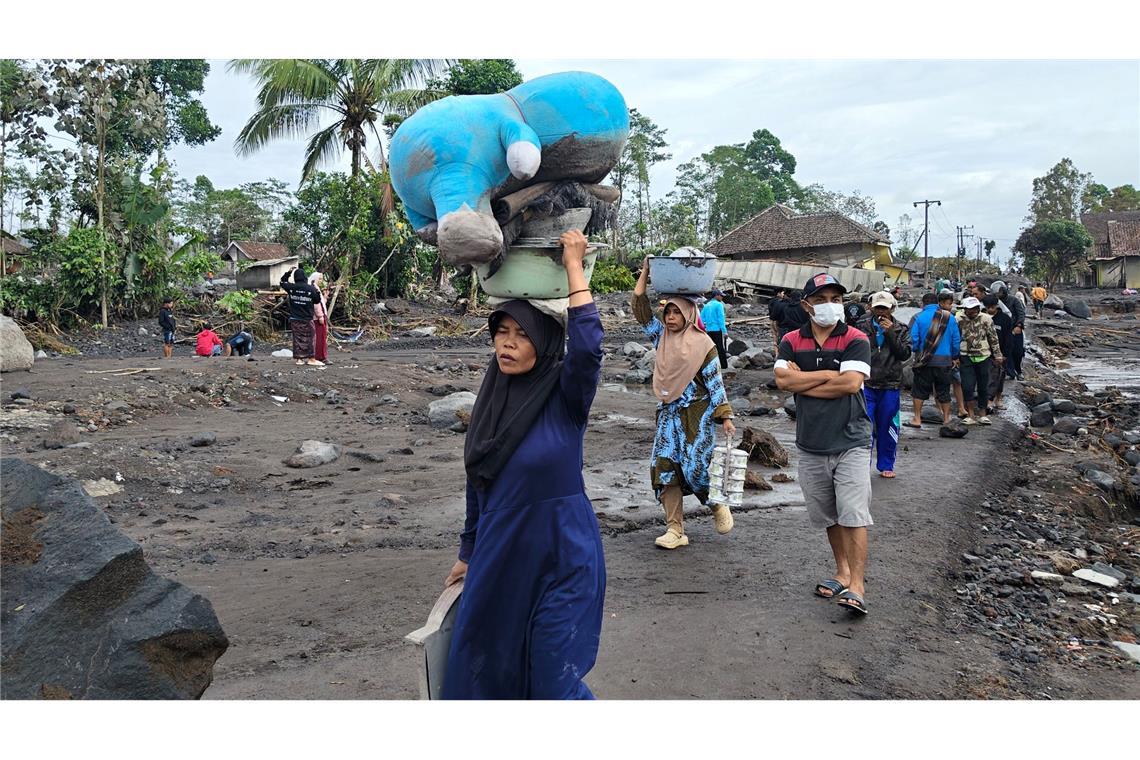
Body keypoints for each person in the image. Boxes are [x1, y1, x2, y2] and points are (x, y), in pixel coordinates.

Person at [441, 230, 605, 700]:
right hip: (500, 556)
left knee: (554, 680)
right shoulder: (490, 406)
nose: (507, 345)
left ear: (545, 342)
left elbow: (589, 348)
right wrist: (468, 552)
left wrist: (573, 265)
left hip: (563, 556)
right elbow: (479, 484)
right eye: (501, 333)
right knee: (487, 670)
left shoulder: (565, 397)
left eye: (521, 334)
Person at [774, 272, 874, 615]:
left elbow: (850, 385)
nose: (830, 306)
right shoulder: (791, 339)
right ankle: (842, 572)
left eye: (836, 299)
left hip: (851, 440)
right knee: (829, 515)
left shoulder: (856, 338)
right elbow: (781, 380)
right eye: (820, 300)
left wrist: (802, 381)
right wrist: (828, 375)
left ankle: (857, 586)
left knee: (853, 513)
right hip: (811, 442)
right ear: (806, 306)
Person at [632, 257, 736, 550]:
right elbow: (639, 308)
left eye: (677, 312)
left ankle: (715, 503)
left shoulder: (704, 345)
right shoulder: (660, 337)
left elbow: (715, 382)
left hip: (697, 414)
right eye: (668, 311)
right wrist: (646, 273)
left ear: (689, 313)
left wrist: (725, 416)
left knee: (696, 468)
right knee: (665, 469)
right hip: (668, 414)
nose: (670, 317)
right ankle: (675, 530)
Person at [855, 291, 912, 478]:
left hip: (890, 384)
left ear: (892, 309)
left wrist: (890, 334)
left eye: (884, 309)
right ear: (871, 307)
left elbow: (904, 354)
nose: (880, 313)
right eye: (877, 307)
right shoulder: (861, 326)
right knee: (864, 426)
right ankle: (863, 464)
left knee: (889, 425)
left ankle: (887, 464)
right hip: (866, 383)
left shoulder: (901, 328)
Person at [907, 291, 961, 428]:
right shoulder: (950, 317)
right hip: (945, 362)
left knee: (919, 390)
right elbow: (956, 341)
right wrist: (954, 356)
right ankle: (947, 419)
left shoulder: (918, 317)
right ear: (937, 303)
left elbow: (913, 339)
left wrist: (919, 352)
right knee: (943, 390)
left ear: (923, 304)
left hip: (924, 361)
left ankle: (917, 419)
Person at [957, 296, 1003, 425]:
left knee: (983, 386)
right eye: (968, 310)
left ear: (978, 309)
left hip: (983, 355)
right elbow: (955, 338)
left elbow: (993, 338)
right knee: (967, 386)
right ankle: (970, 415)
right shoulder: (958, 319)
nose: (971, 312)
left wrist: (998, 355)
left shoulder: (986, 319)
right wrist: (954, 356)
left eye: (973, 309)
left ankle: (982, 414)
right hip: (965, 355)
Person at [279, 267, 324, 367]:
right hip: (307, 319)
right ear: (304, 277)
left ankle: (299, 359)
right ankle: (311, 359)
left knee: (297, 339)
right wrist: (315, 290)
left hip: (295, 318)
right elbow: (317, 300)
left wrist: (288, 272)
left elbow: (282, 282)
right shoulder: (310, 289)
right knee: (310, 338)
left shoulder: (291, 288)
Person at [983, 294, 1013, 415]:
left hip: (1000, 352)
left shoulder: (1005, 319)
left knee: (999, 377)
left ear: (996, 306)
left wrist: (1004, 354)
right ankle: (987, 399)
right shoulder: (982, 317)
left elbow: (1008, 337)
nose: (990, 310)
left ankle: (997, 399)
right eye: (988, 307)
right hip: (984, 351)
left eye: (992, 307)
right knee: (987, 377)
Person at [990, 281, 1025, 379]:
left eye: (1000, 292)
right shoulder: (995, 302)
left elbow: (1021, 314)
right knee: (1005, 353)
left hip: (1015, 329)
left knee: (1018, 352)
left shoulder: (1014, 300)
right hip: (1002, 332)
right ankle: (1008, 372)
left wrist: (1019, 325)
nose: (998, 294)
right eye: (997, 293)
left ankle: (1018, 371)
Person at [701, 289, 728, 369]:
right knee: (720, 348)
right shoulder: (719, 305)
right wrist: (724, 331)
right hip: (717, 330)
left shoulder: (707, 305)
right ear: (716, 296)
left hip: (709, 330)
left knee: (710, 349)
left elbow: (701, 319)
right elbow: (721, 319)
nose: (722, 297)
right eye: (721, 295)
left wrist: (704, 328)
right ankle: (724, 366)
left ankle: (711, 366)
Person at [309, 272, 329, 364]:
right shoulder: (314, 288)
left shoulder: (316, 288)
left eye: (322, 279)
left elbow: (320, 303)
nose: (321, 281)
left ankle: (320, 356)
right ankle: (321, 356)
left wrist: (324, 297)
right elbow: (316, 304)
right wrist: (320, 316)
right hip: (317, 317)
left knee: (321, 336)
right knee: (320, 337)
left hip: (319, 316)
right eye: (320, 278)